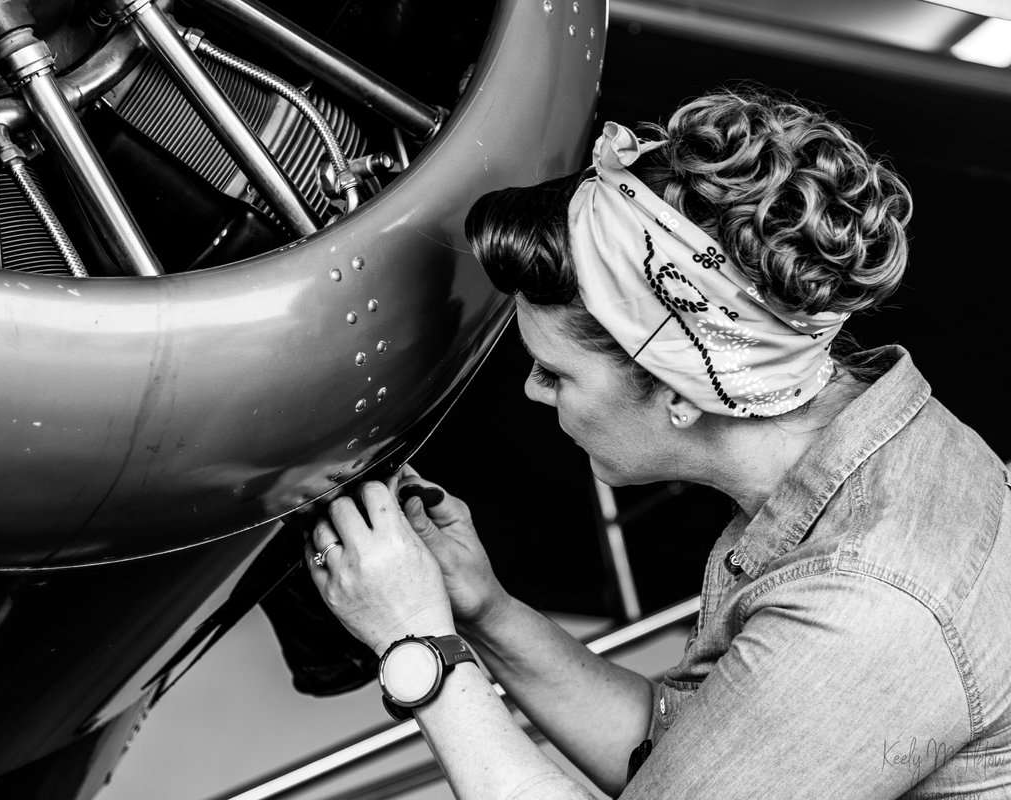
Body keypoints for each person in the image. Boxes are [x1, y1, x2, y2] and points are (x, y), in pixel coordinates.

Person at [301, 88, 1011, 799]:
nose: (532, 393)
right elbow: (681, 759)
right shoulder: (877, 450)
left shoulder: (865, 606)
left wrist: (414, 642)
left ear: (679, 391)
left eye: (555, 374)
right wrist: (484, 610)